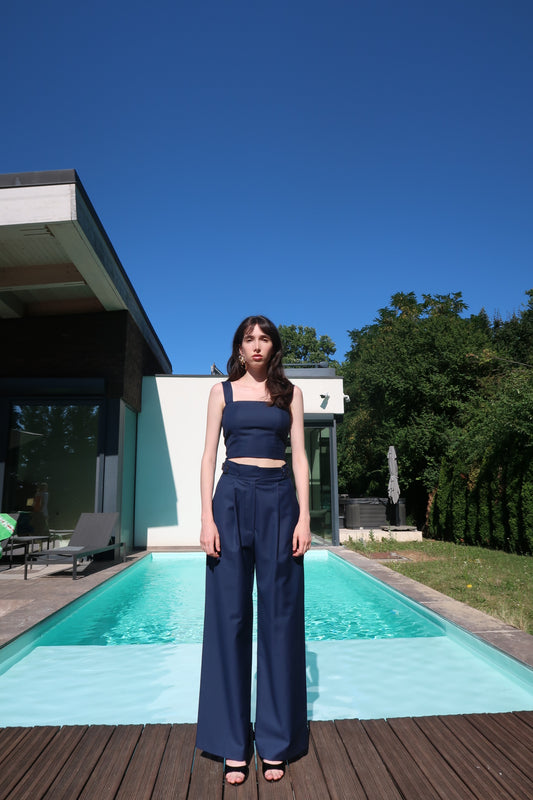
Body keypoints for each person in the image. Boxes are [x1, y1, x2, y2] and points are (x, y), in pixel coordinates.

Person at [196, 315, 311, 786]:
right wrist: (207, 518)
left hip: (280, 499)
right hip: (231, 498)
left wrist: (305, 517)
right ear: (239, 348)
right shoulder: (220, 392)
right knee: (230, 618)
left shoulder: (290, 394)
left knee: (280, 617)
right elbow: (208, 456)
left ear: (273, 347)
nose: (257, 345)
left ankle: (276, 740)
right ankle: (231, 742)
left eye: (264, 339)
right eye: (249, 339)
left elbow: (300, 455)